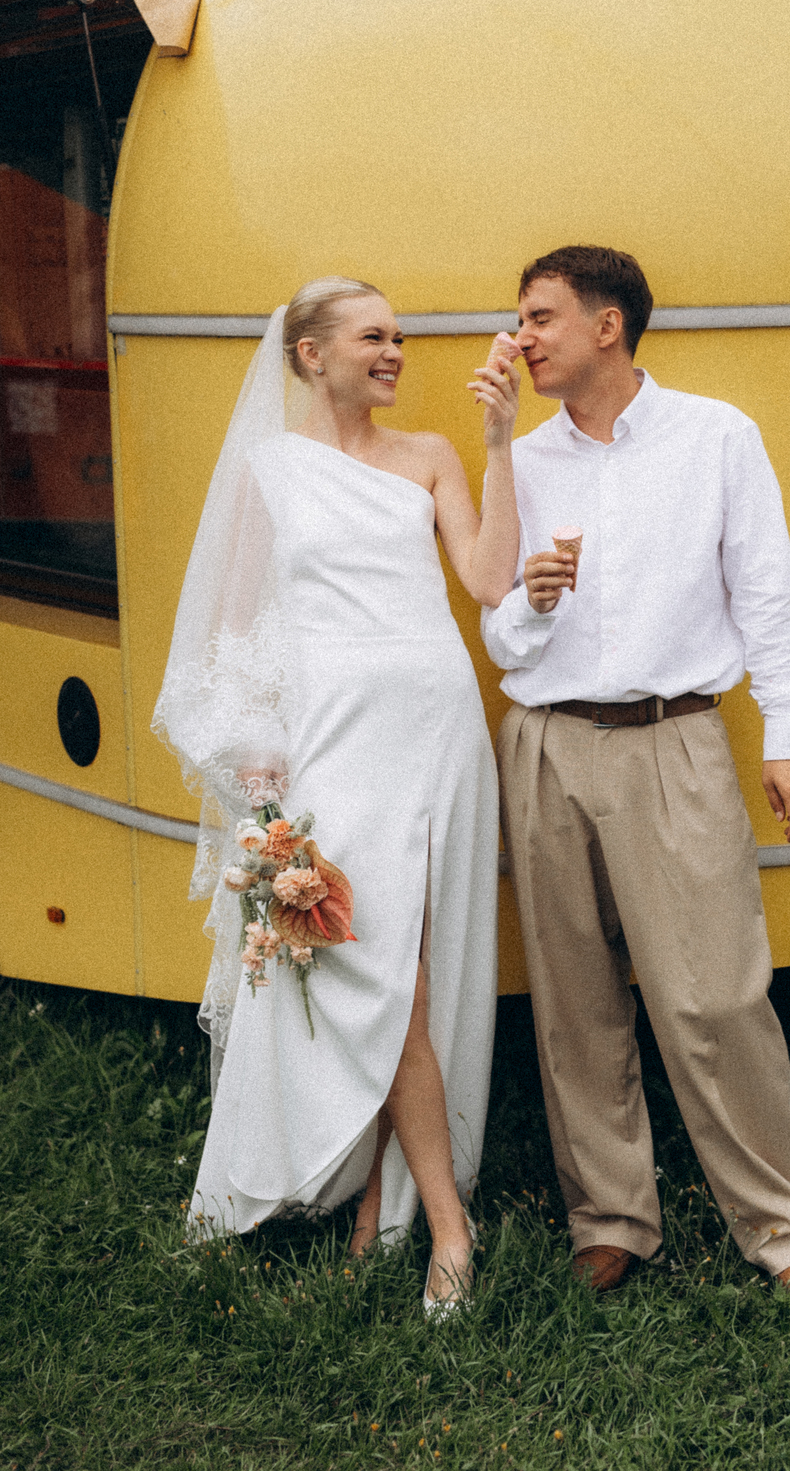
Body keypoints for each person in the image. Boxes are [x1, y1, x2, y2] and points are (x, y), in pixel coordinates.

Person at [154, 277, 522, 1314]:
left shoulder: (432, 456)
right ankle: (449, 1227)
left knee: (418, 967)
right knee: (376, 966)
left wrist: (499, 444)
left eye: (399, 337)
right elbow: (233, 630)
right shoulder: (269, 470)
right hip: (334, 742)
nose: (395, 351)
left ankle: (380, 1207)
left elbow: (489, 580)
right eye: (374, 337)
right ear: (312, 355)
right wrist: (256, 758)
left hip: (437, 732)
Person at [482, 246, 790, 1299]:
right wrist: (533, 601)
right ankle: (612, 1219)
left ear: (608, 326)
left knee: (716, 996)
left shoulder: (716, 437)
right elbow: (502, 637)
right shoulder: (522, 459)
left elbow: (763, 591)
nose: (521, 338)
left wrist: (787, 733)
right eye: (520, 319)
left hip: (674, 739)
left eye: (540, 317)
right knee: (574, 1002)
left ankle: (783, 1232)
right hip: (546, 742)